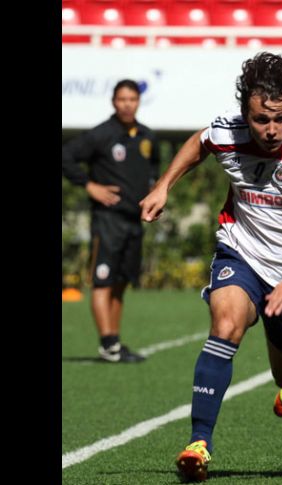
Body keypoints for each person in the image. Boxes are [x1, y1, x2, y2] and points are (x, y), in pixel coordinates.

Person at [139, 52, 282, 482]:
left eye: (280, 118)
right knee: (226, 322)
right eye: (260, 119)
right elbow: (201, 141)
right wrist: (163, 185)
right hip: (241, 251)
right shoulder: (229, 131)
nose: (271, 129)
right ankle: (199, 443)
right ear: (245, 113)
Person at [62, 79, 160, 363]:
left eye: (132, 99)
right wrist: (89, 186)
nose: (127, 104)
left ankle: (114, 341)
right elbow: (65, 156)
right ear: (113, 102)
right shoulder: (101, 134)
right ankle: (108, 345)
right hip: (108, 220)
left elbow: (153, 173)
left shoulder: (146, 136)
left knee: (120, 283)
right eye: (122, 99)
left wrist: (154, 196)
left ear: (138, 101)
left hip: (134, 221)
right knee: (103, 281)